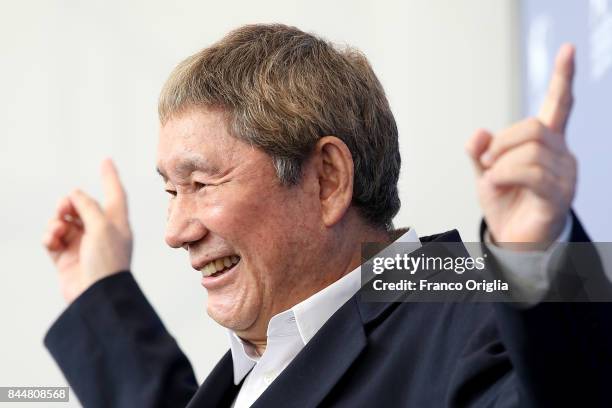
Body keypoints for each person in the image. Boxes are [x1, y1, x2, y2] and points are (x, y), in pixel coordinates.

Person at [42, 24, 611, 407]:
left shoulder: (467, 300)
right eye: (171, 190)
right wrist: (100, 291)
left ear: (327, 180)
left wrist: (538, 255)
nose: (174, 231)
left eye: (201, 183)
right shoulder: (271, 350)